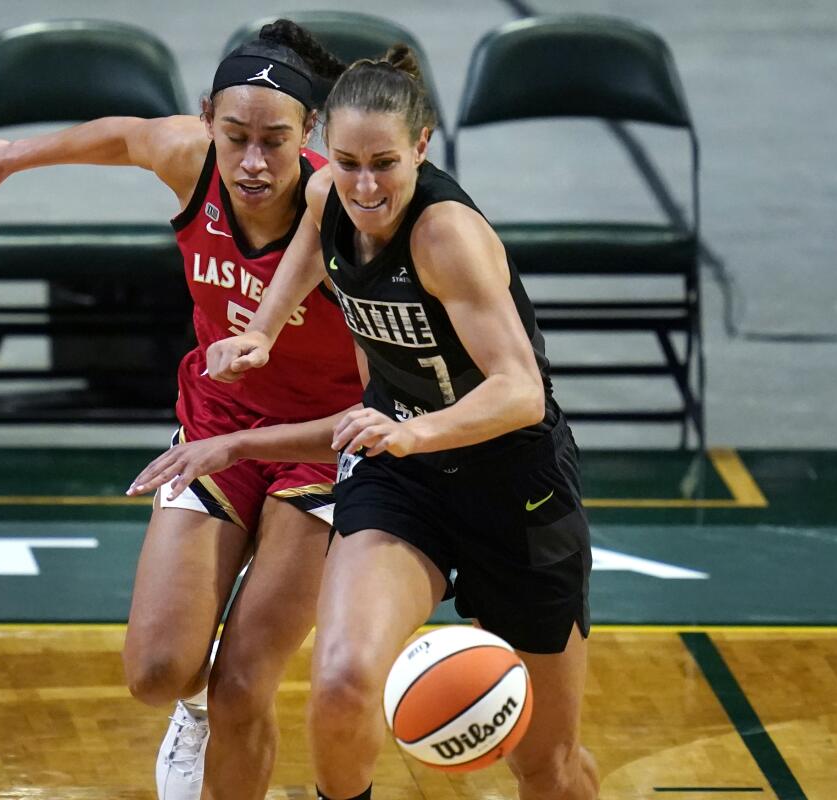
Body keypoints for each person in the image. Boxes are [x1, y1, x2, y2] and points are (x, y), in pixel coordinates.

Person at [0, 22, 365, 800]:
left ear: (311, 135)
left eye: (276, 140)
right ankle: (192, 710)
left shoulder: (339, 211)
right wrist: (7, 156)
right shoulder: (189, 159)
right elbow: (124, 136)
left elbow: (387, 390)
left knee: (244, 683)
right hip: (215, 429)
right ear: (208, 120)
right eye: (235, 136)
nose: (253, 162)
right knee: (158, 672)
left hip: (321, 446)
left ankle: (225, 715)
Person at [207, 47, 600, 800]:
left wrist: (421, 428)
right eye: (347, 161)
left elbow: (521, 393)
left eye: (383, 163)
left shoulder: (444, 236)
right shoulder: (326, 191)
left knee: (546, 765)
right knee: (344, 681)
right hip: (402, 478)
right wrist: (262, 330)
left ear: (422, 146)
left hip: (512, 482)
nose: (363, 186)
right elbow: (310, 252)